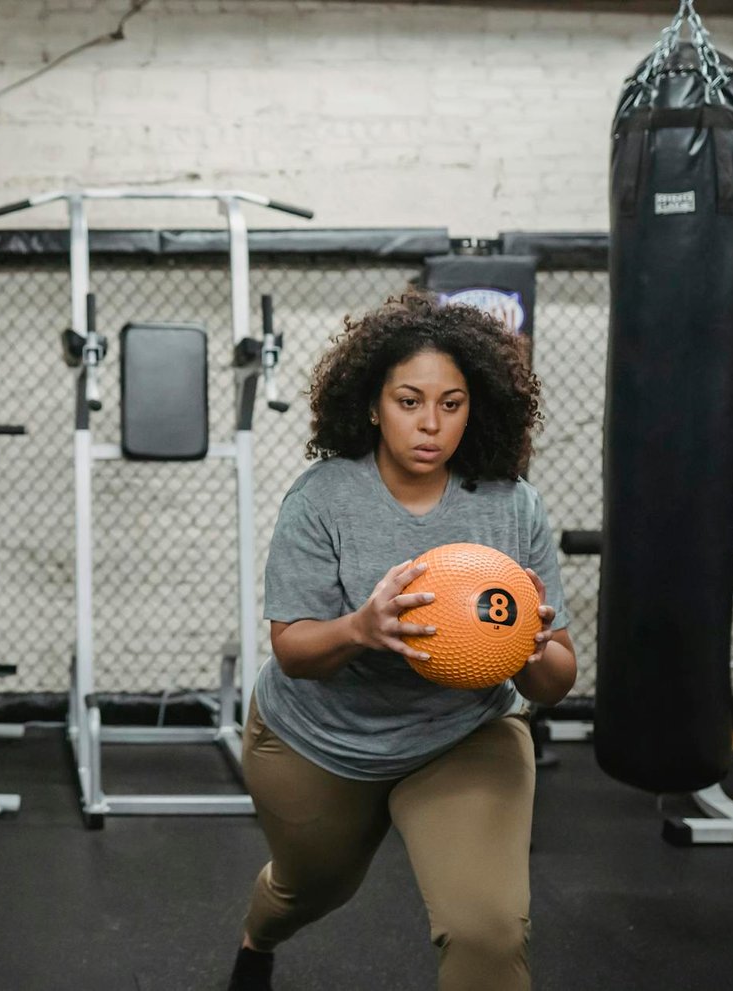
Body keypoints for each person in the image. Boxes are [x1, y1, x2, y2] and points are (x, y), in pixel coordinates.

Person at [228, 291, 577, 991]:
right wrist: (362, 627)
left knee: (488, 929)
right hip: (319, 737)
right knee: (309, 889)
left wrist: (535, 651)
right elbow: (293, 648)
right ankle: (256, 940)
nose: (431, 424)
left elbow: (558, 672)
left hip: (462, 732)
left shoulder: (512, 505)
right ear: (370, 404)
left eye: (451, 403)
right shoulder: (323, 497)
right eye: (409, 401)